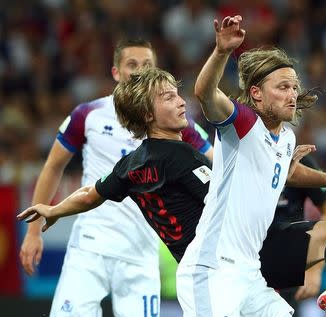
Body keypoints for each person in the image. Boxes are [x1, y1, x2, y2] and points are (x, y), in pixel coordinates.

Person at [177, 15, 326, 316]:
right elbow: (206, 93)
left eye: (295, 87)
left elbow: (285, 172)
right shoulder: (243, 123)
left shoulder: (286, 137)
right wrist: (221, 52)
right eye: (283, 87)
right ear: (256, 93)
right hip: (213, 269)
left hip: (250, 272)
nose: (293, 95)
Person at [18, 40, 212, 317]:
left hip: (141, 249)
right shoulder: (88, 115)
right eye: (132, 65)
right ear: (116, 73)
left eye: (147, 65)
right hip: (91, 243)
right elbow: (52, 167)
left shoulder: (171, 119)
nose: (139, 71)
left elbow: (216, 163)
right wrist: (34, 231)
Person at [273, 155, 326, 316]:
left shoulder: (297, 159)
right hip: (241, 259)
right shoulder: (240, 151)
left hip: (284, 265)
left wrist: (313, 268)